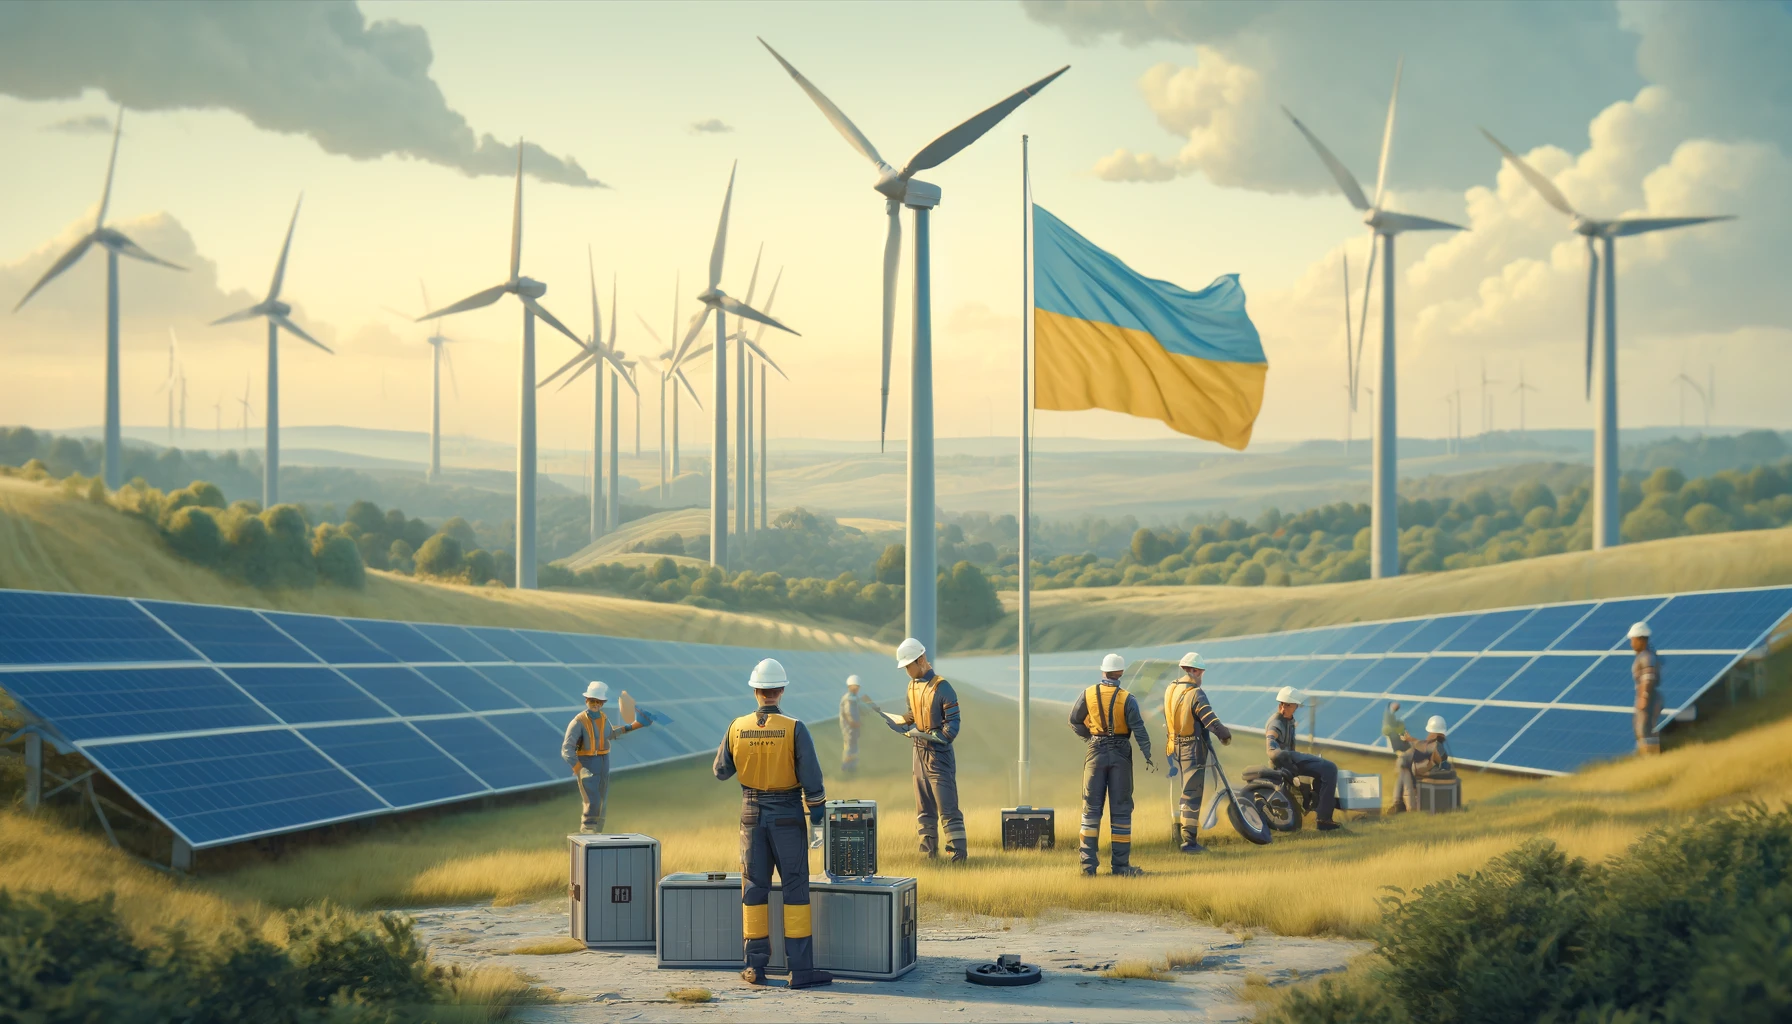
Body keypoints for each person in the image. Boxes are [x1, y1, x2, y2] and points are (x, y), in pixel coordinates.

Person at [712, 658, 832, 990]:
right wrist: (818, 810)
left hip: (750, 813)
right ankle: (800, 970)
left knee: (753, 887)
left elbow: (720, 771)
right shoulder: (795, 727)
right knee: (795, 888)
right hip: (789, 814)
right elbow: (812, 777)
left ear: (755, 691)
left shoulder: (736, 726)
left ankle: (755, 968)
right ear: (780, 690)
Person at [877, 638, 965, 861]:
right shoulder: (912, 687)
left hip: (939, 756)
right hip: (918, 754)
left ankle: (958, 857)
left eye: (908, 666)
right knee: (924, 808)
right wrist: (898, 722)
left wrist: (933, 737)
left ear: (921, 659)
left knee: (947, 808)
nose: (907, 671)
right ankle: (928, 856)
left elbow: (952, 728)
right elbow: (912, 716)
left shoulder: (943, 688)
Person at [1069, 653, 1155, 876]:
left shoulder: (1087, 694)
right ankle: (1121, 867)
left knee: (1091, 809)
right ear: (1121, 673)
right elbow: (1139, 729)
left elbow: (1074, 720)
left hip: (1095, 752)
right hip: (1120, 754)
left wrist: (1089, 736)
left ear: (1102, 671)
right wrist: (1148, 754)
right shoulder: (1128, 698)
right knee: (1121, 811)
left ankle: (1088, 868)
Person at [1162, 652, 1232, 854]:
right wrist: (1224, 735)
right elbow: (1210, 720)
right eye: (1200, 671)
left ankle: (1181, 831)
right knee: (1191, 794)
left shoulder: (1170, 689)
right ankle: (1189, 842)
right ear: (1193, 671)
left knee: (1182, 791)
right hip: (1192, 748)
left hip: (1173, 746)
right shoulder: (1195, 693)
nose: (1201, 675)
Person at [561, 680, 651, 833]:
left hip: (604, 761)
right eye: (592, 701)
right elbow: (566, 749)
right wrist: (578, 767)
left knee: (602, 797)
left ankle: (598, 830)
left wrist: (636, 725)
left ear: (603, 703)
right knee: (592, 798)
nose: (596, 704)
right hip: (587, 762)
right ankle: (588, 828)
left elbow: (611, 734)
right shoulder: (578, 722)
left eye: (599, 701)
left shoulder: (603, 719)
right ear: (587, 700)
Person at [1265, 686, 1341, 831]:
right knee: (1329, 768)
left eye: (1287, 705)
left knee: (1324, 771)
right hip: (1286, 760)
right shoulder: (1276, 723)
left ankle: (1318, 809)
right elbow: (1271, 746)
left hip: (1290, 760)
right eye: (1281, 704)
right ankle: (1324, 819)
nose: (1282, 708)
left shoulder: (1289, 721)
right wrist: (1282, 756)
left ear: (1296, 706)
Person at [1394, 715, 1455, 811]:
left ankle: (1404, 804)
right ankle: (1399, 802)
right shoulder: (1437, 745)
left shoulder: (1435, 746)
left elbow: (1424, 747)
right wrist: (1410, 739)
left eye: (1430, 732)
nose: (1428, 734)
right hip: (1428, 772)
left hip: (1427, 773)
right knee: (1405, 767)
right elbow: (1422, 744)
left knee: (1404, 768)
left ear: (1433, 733)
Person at [1630, 622, 1662, 756]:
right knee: (1642, 728)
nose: (1631, 644)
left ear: (1641, 639)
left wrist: (1644, 697)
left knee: (1645, 729)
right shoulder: (1645, 655)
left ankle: (1651, 757)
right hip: (1648, 697)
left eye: (1633, 640)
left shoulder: (1647, 657)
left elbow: (1648, 678)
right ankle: (1648, 756)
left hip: (1649, 698)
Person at [1382, 701, 1412, 812]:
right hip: (1403, 754)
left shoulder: (1396, 721)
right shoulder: (1390, 722)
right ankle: (1399, 803)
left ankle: (1398, 802)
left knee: (1402, 775)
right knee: (1404, 774)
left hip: (1405, 752)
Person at [839, 675, 863, 775]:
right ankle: (845, 768)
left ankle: (852, 767)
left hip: (853, 728)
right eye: (855, 686)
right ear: (850, 686)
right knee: (849, 748)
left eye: (858, 687)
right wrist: (854, 723)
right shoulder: (849, 698)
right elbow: (848, 713)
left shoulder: (853, 697)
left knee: (854, 748)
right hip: (849, 728)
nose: (857, 689)